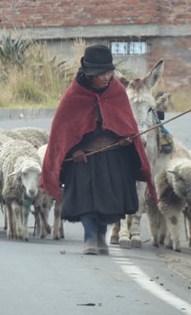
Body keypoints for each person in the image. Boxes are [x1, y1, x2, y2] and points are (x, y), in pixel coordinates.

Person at [41, 44, 157, 255]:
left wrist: (126, 140)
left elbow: (126, 123)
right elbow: (63, 128)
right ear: (89, 73)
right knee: (86, 202)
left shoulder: (117, 92)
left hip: (113, 157)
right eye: (101, 73)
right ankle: (90, 238)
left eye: (109, 72)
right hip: (83, 159)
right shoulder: (75, 95)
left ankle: (101, 239)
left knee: (107, 204)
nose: (106, 77)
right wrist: (73, 150)